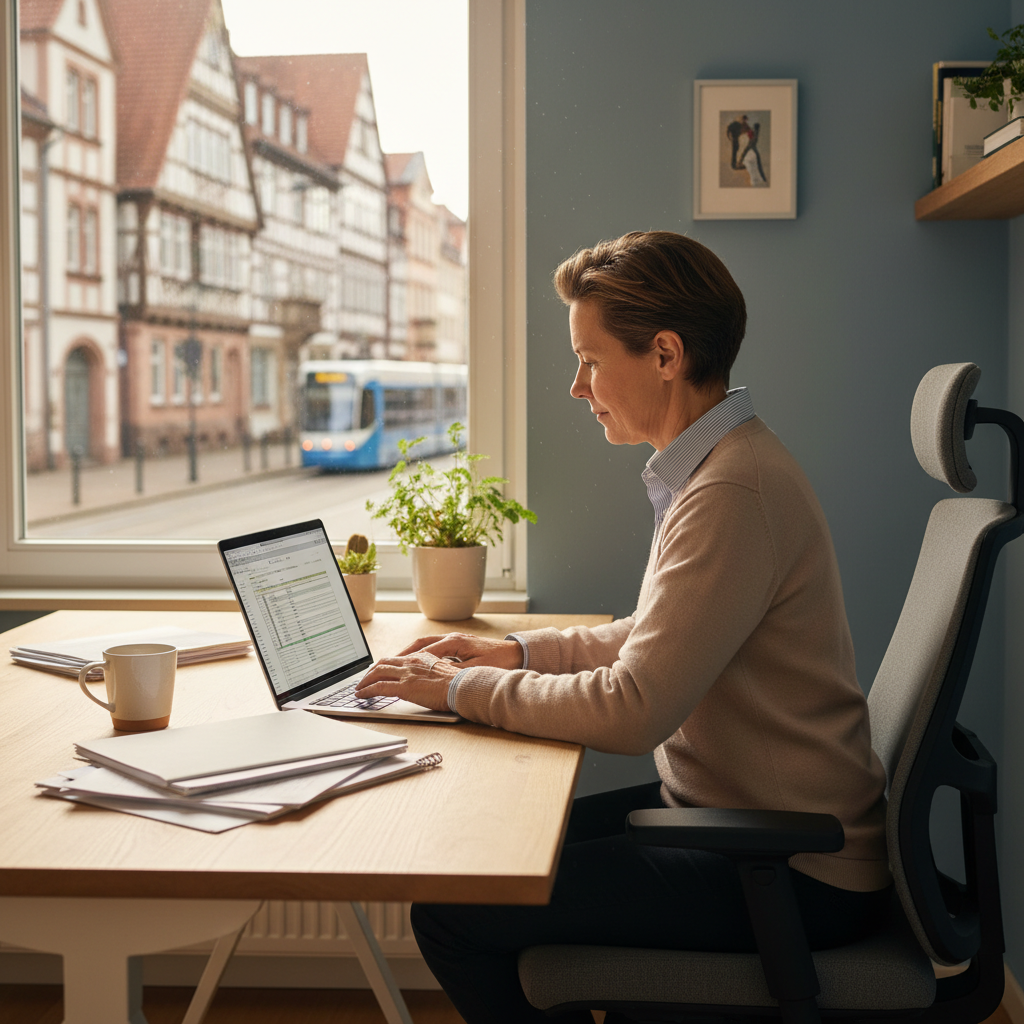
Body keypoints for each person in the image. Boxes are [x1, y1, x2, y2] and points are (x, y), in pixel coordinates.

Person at [355, 231, 891, 1024]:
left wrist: (463, 690)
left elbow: (634, 704)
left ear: (666, 355)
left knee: (452, 912)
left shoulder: (732, 490)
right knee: (499, 861)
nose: (578, 386)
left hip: (791, 867)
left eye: (592, 360)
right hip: (742, 827)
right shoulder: (720, 465)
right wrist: (513, 652)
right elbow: (656, 633)